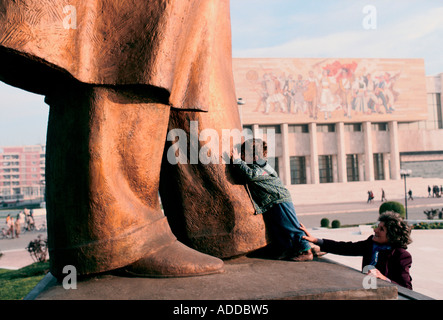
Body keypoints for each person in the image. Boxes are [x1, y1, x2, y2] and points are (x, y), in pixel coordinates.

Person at [231, 138, 313, 262]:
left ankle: (306, 250)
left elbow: (250, 175)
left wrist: (237, 160)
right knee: (278, 228)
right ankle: (286, 249)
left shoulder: (262, 168)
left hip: (279, 200)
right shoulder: (257, 165)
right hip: (271, 202)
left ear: (255, 157)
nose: (242, 156)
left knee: (290, 226)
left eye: (244, 154)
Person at [302, 211, 413, 289]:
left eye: (381, 229)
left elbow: (407, 288)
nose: (375, 230)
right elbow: (345, 248)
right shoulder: (371, 244)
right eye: (377, 226)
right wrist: (316, 240)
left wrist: (383, 278)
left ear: (392, 236)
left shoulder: (401, 255)